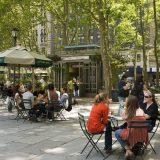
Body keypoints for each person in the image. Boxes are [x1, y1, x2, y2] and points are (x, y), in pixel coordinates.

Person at [115, 96, 147, 160]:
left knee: (117, 132)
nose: (125, 102)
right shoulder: (141, 110)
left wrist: (125, 109)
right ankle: (129, 149)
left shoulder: (129, 113)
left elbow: (123, 117)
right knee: (123, 129)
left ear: (129, 103)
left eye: (126, 102)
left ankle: (127, 149)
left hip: (131, 134)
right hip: (142, 134)